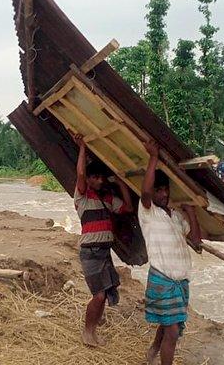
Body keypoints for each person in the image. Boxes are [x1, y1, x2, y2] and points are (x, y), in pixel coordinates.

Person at [139, 140, 202, 365]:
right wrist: (153, 157)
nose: (163, 194)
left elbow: (196, 240)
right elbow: (145, 192)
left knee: (170, 324)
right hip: (163, 280)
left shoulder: (176, 216)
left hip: (182, 281)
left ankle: (156, 346)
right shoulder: (148, 213)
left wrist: (191, 212)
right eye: (159, 190)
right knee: (173, 331)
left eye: (166, 189)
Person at [72, 133, 133, 347]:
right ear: (88, 179)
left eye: (101, 177)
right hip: (91, 251)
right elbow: (80, 172)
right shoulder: (82, 196)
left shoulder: (107, 199)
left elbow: (128, 207)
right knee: (98, 296)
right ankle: (87, 332)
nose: (99, 180)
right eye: (94, 177)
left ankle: (93, 331)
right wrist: (82, 148)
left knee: (104, 295)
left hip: (105, 252)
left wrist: (122, 183)